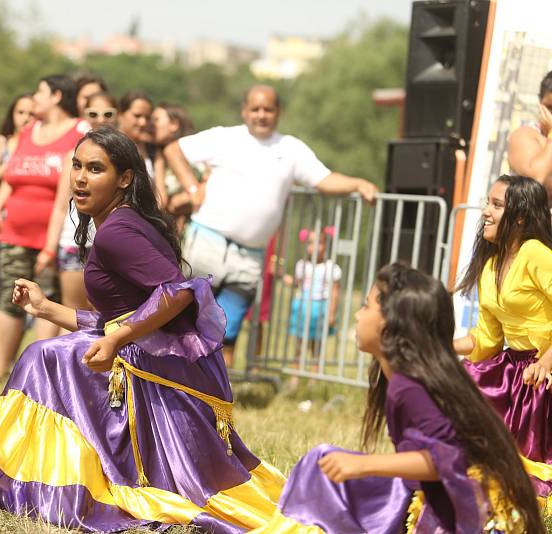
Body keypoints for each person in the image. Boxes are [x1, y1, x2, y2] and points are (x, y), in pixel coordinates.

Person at [0, 128, 284, 532]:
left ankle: (46, 484)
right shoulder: (120, 222)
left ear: (124, 179)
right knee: (53, 353)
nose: (81, 178)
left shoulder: (117, 232)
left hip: (158, 373)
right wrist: (45, 308)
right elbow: (112, 324)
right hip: (158, 362)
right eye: (77, 166)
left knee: (41, 358)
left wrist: (117, 339)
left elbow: (179, 292)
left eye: (96, 169)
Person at [253, 263, 542, 533]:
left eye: (367, 306)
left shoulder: (409, 387)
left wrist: (363, 466)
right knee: (321, 459)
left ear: (390, 324)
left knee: (322, 461)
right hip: (457, 507)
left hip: (484, 519)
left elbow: (449, 458)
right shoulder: (406, 380)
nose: (357, 314)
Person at [164, 84, 378, 368]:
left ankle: (216, 395)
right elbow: (173, 149)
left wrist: (359, 183)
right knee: (185, 316)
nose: (261, 115)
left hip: (250, 256)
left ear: (278, 112)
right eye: (255, 109)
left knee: (228, 327)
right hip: (207, 242)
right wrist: (192, 188)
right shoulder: (223, 137)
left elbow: (323, 180)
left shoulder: (291, 148)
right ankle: (172, 383)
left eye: (268, 109)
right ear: (244, 110)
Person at [0, 74, 89, 384]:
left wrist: (49, 246)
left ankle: (43, 374)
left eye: (40, 92)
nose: (34, 98)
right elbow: (11, 175)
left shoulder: (80, 131)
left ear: (56, 95)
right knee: (9, 298)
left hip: (59, 238)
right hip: (15, 232)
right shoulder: (31, 130)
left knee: (49, 304)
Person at [454, 174, 552, 497]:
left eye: (496, 204)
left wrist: (546, 362)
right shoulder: (490, 266)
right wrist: (438, 345)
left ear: (520, 216)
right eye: (488, 202)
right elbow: (487, 340)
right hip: (520, 370)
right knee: (465, 382)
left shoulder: (536, 253)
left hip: (543, 373)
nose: (486, 211)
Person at [0, 93, 34, 319]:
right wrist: (17, 157)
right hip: (3, 221)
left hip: (32, 225)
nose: (26, 118)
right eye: (21, 112)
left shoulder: (40, 144)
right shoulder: (1, 142)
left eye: (31, 113)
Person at [287, 227, 342, 359]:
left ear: (326, 245)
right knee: (300, 341)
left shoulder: (331, 267)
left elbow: (335, 291)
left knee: (317, 342)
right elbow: (298, 283)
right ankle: (296, 370)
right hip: (303, 305)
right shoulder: (302, 265)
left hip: (320, 307)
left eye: (320, 243)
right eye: (311, 243)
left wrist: (332, 314)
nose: (315, 247)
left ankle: (315, 371)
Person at [507, 70, 552, 200]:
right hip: (528, 218)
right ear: (540, 104)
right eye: (550, 107)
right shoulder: (524, 135)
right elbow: (535, 181)